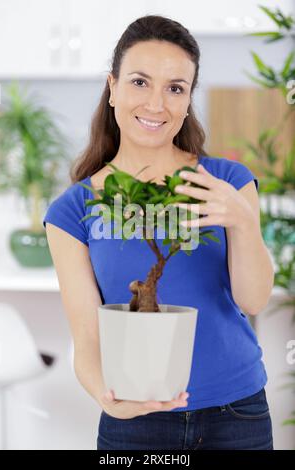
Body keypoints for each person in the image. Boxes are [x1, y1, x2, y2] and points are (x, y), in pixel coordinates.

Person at [43, 15, 275, 450]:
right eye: (139, 82)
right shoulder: (73, 209)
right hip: (135, 421)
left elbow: (254, 299)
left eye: (175, 88)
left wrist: (242, 220)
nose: (156, 104)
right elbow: (88, 336)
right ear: (112, 88)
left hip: (237, 413)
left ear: (188, 101)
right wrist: (108, 399)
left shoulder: (226, 181)